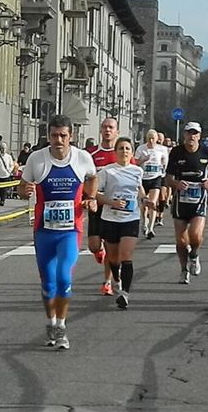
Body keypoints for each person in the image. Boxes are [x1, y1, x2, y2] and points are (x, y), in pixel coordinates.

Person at [18, 114, 97, 350]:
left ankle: (61, 326)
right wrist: (25, 191)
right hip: (44, 231)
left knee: (64, 278)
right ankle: (50, 322)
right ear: (48, 136)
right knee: (47, 284)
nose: (58, 140)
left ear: (71, 136)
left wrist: (90, 198)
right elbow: (22, 187)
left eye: (63, 135)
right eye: (54, 135)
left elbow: (93, 177)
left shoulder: (82, 158)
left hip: (70, 231)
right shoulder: (37, 159)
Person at [96, 137, 154, 309]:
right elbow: (96, 194)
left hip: (130, 218)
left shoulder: (137, 171)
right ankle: (116, 279)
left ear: (132, 152)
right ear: (116, 152)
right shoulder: (107, 171)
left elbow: (139, 188)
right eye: (121, 148)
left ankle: (125, 294)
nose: (124, 151)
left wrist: (145, 199)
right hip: (110, 218)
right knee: (113, 258)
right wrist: (111, 202)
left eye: (127, 148)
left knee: (126, 256)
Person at [165, 122, 208, 285]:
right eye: (189, 133)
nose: (191, 136)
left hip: (199, 199)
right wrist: (176, 184)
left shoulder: (206, 151)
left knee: (195, 236)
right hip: (181, 201)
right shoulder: (176, 152)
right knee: (181, 241)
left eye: (195, 133)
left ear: (199, 136)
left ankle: (194, 255)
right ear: (184, 135)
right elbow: (168, 177)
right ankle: (184, 270)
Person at [86, 117, 121, 296]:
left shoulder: (122, 154)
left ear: (117, 132)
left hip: (114, 208)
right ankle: (98, 252)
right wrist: (88, 197)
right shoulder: (91, 154)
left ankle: (107, 282)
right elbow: (84, 178)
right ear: (100, 130)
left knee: (109, 246)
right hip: (96, 205)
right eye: (105, 127)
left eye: (111, 127)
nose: (108, 130)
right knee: (93, 246)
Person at [134, 129, 167, 239]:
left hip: (155, 178)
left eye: (153, 138)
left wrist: (163, 166)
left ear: (157, 139)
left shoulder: (162, 149)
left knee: (152, 203)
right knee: (145, 204)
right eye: (149, 138)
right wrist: (143, 159)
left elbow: (165, 162)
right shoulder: (141, 149)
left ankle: (151, 228)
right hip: (143, 179)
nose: (151, 141)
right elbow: (135, 163)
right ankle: (144, 222)